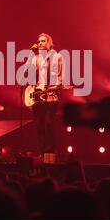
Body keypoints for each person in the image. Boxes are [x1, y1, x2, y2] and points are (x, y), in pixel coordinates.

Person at [27, 33, 63, 162]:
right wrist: (31, 54)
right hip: (37, 97)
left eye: (43, 41)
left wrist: (55, 87)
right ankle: (42, 154)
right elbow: (27, 73)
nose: (40, 43)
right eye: (39, 41)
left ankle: (51, 155)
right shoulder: (35, 58)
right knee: (39, 126)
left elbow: (60, 77)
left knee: (49, 124)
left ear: (49, 43)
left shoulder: (57, 57)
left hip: (50, 96)